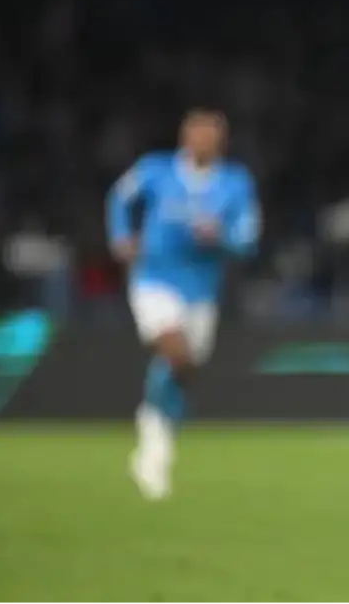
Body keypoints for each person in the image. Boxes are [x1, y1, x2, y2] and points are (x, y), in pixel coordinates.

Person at [105, 109, 260, 501]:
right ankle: (152, 434)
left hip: (202, 291)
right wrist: (121, 236)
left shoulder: (235, 182)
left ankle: (156, 434)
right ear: (184, 138)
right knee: (174, 351)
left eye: (211, 137)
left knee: (184, 369)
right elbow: (119, 198)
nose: (203, 143)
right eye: (197, 135)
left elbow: (247, 237)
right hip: (154, 279)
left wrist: (220, 236)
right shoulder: (155, 170)